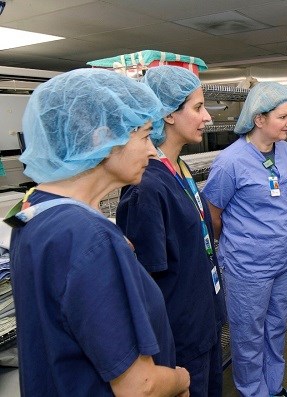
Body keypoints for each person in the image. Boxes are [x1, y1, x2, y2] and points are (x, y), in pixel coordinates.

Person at [6, 68, 190, 396]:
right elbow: (140, 387)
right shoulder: (89, 237)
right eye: (146, 135)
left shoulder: (35, 210)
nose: (152, 151)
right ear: (102, 139)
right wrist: (181, 379)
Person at [116, 65, 226, 397]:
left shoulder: (180, 167)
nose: (207, 117)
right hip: (179, 337)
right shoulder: (146, 186)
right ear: (168, 115)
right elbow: (145, 283)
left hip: (203, 320)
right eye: (197, 107)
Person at [202, 82, 287, 397]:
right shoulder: (230, 162)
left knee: (276, 326)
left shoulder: (284, 151)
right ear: (259, 119)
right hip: (248, 265)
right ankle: (252, 391)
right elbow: (212, 213)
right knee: (248, 335)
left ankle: (273, 386)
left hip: (283, 258)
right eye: (283, 117)